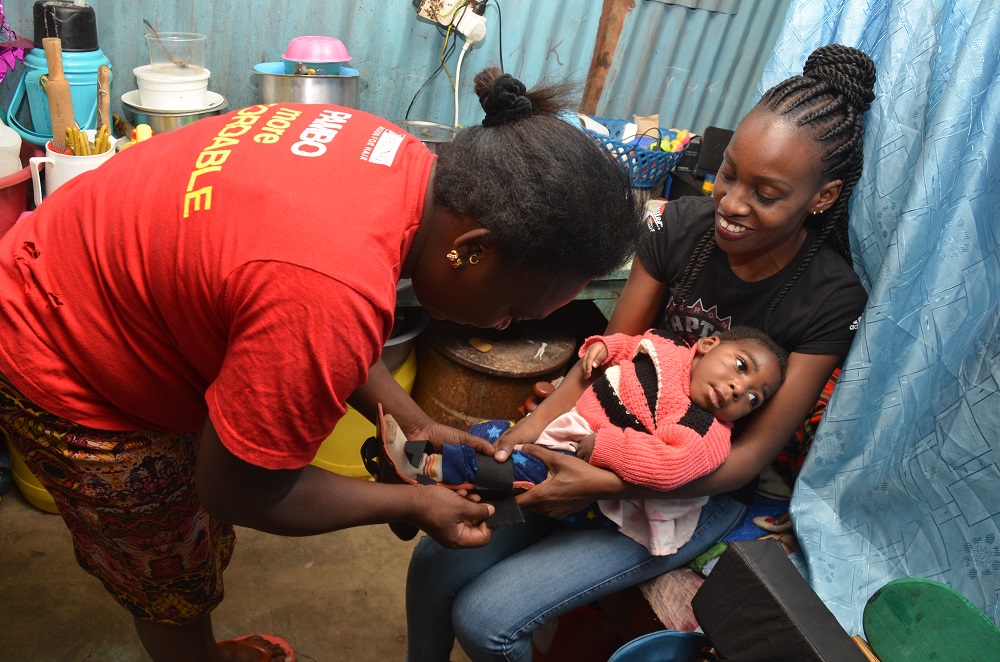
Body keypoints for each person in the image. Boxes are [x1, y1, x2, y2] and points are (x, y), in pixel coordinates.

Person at [0, 68, 643, 661]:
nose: (506, 326)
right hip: (60, 350)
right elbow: (235, 488)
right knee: (166, 568)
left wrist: (413, 422)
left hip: (80, 268)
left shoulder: (396, 156)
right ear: (470, 252)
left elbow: (296, 314)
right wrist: (411, 506)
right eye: (513, 309)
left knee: (193, 533)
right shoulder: (325, 291)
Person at [406, 43, 875, 661]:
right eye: (729, 173)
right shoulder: (682, 227)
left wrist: (597, 481)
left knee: (487, 616)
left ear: (822, 197)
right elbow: (598, 361)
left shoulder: (830, 297)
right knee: (437, 559)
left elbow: (747, 458)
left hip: (688, 492)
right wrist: (524, 438)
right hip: (599, 431)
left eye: (766, 194)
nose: (731, 204)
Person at [378, 326, 786, 556]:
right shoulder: (670, 352)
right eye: (740, 366)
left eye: (753, 398)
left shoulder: (707, 432)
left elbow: (669, 467)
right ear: (708, 344)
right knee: (489, 436)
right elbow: (632, 345)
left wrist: (608, 446)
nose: (738, 389)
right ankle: (421, 490)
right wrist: (602, 347)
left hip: (586, 473)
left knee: (507, 475)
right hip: (565, 433)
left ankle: (419, 471)